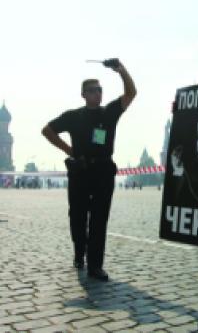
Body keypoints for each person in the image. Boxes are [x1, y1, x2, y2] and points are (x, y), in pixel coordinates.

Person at [42, 59, 136, 281]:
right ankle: (79, 252)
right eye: (92, 91)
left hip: (103, 170)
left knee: (99, 220)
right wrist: (69, 150)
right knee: (77, 217)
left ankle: (95, 266)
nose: (97, 94)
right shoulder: (73, 116)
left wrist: (121, 70)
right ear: (83, 94)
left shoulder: (109, 113)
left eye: (100, 90)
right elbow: (47, 130)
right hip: (80, 172)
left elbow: (131, 93)